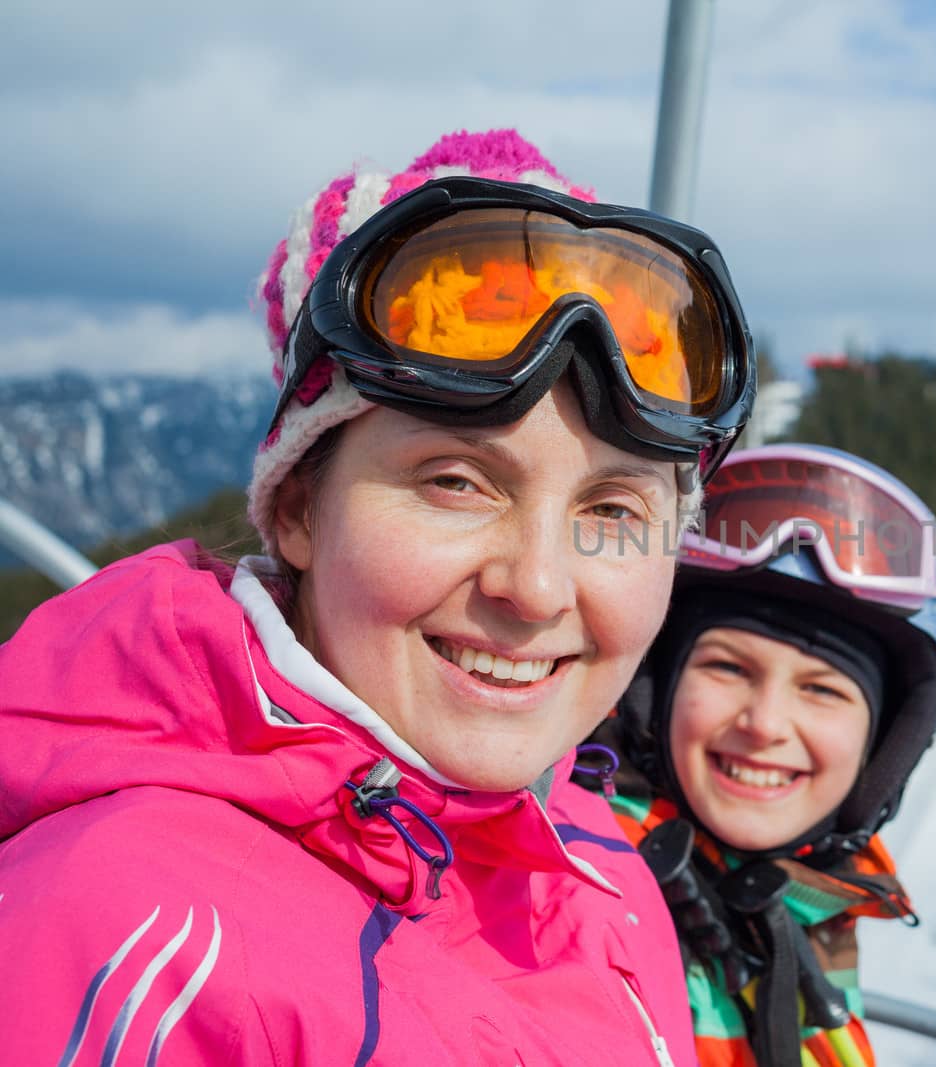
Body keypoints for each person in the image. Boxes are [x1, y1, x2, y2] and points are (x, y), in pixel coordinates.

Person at [0, 129, 756, 1066]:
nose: (536, 586)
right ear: (299, 509)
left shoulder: (588, 856)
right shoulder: (125, 933)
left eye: (611, 509)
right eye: (456, 481)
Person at [583, 443, 936, 1067]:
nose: (764, 725)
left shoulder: (804, 910)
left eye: (821, 690)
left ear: (884, 744)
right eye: (728, 668)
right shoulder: (583, 881)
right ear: (654, 692)